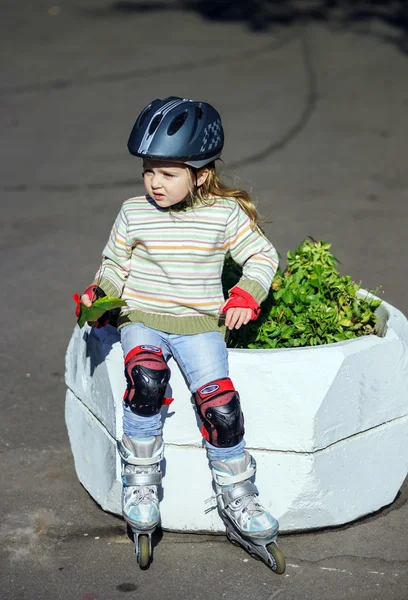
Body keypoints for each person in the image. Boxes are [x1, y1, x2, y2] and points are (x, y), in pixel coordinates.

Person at [77, 97, 285, 573]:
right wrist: (100, 292)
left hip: (199, 327)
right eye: (149, 170)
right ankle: (141, 482)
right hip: (143, 318)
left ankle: (239, 498)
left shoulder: (224, 216)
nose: (154, 182)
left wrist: (245, 294)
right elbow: (115, 265)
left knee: (221, 408)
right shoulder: (133, 212)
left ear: (201, 174)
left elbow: (262, 257)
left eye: (168, 173)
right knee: (146, 382)